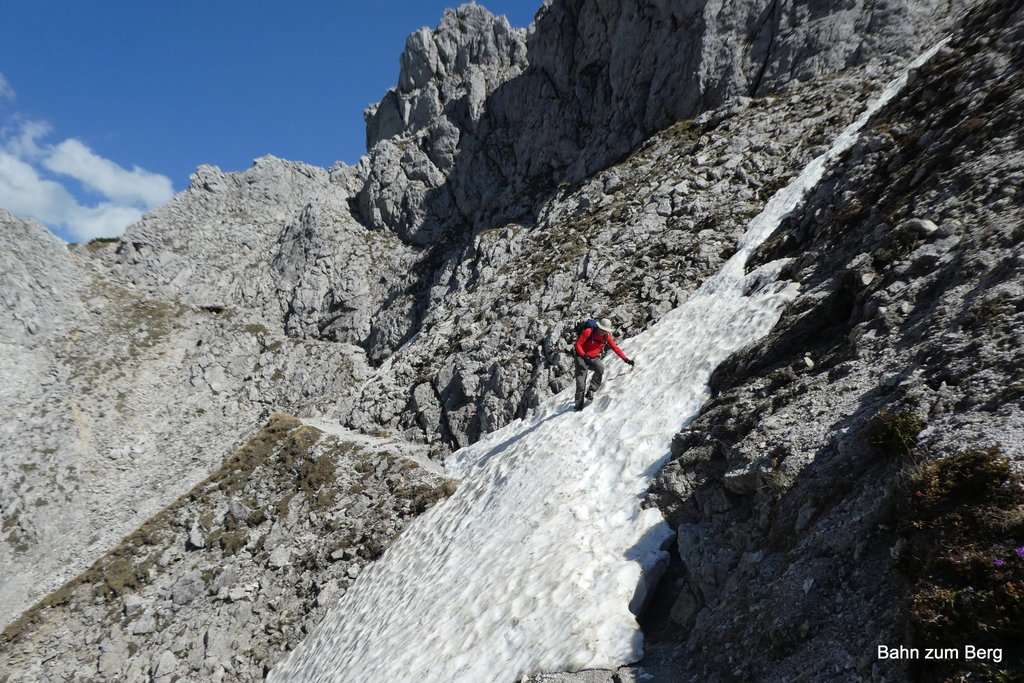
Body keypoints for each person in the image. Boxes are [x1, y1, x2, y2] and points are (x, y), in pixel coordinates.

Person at [573, 318, 634, 411]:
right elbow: (578, 345)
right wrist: (584, 356)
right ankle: (578, 406)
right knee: (581, 383)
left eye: (605, 331)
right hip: (581, 357)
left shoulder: (607, 336)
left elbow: (615, 348)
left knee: (600, 368)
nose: (603, 332)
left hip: (593, 358)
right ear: (598, 327)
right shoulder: (588, 331)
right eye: (601, 329)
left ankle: (591, 390)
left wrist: (626, 359)